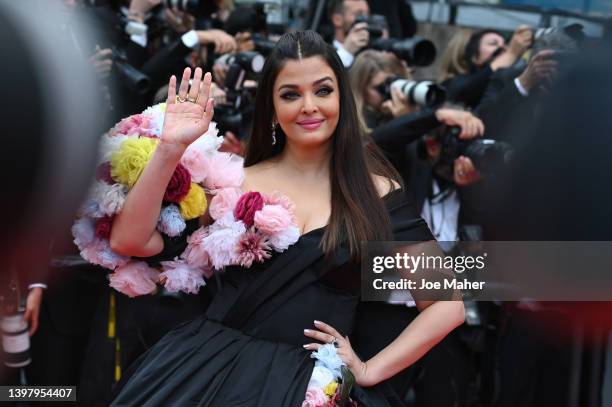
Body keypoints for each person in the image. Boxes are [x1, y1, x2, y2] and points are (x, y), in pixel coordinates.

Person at [109, 30, 464, 405]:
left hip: (310, 388)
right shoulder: (234, 179)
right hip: (212, 376)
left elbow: (446, 304)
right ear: (272, 108)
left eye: (323, 90)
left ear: (343, 97)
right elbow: (129, 241)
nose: (309, 105)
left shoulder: (378, 193)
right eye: (291, 94)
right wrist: (170, 148)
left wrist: (369, 369)